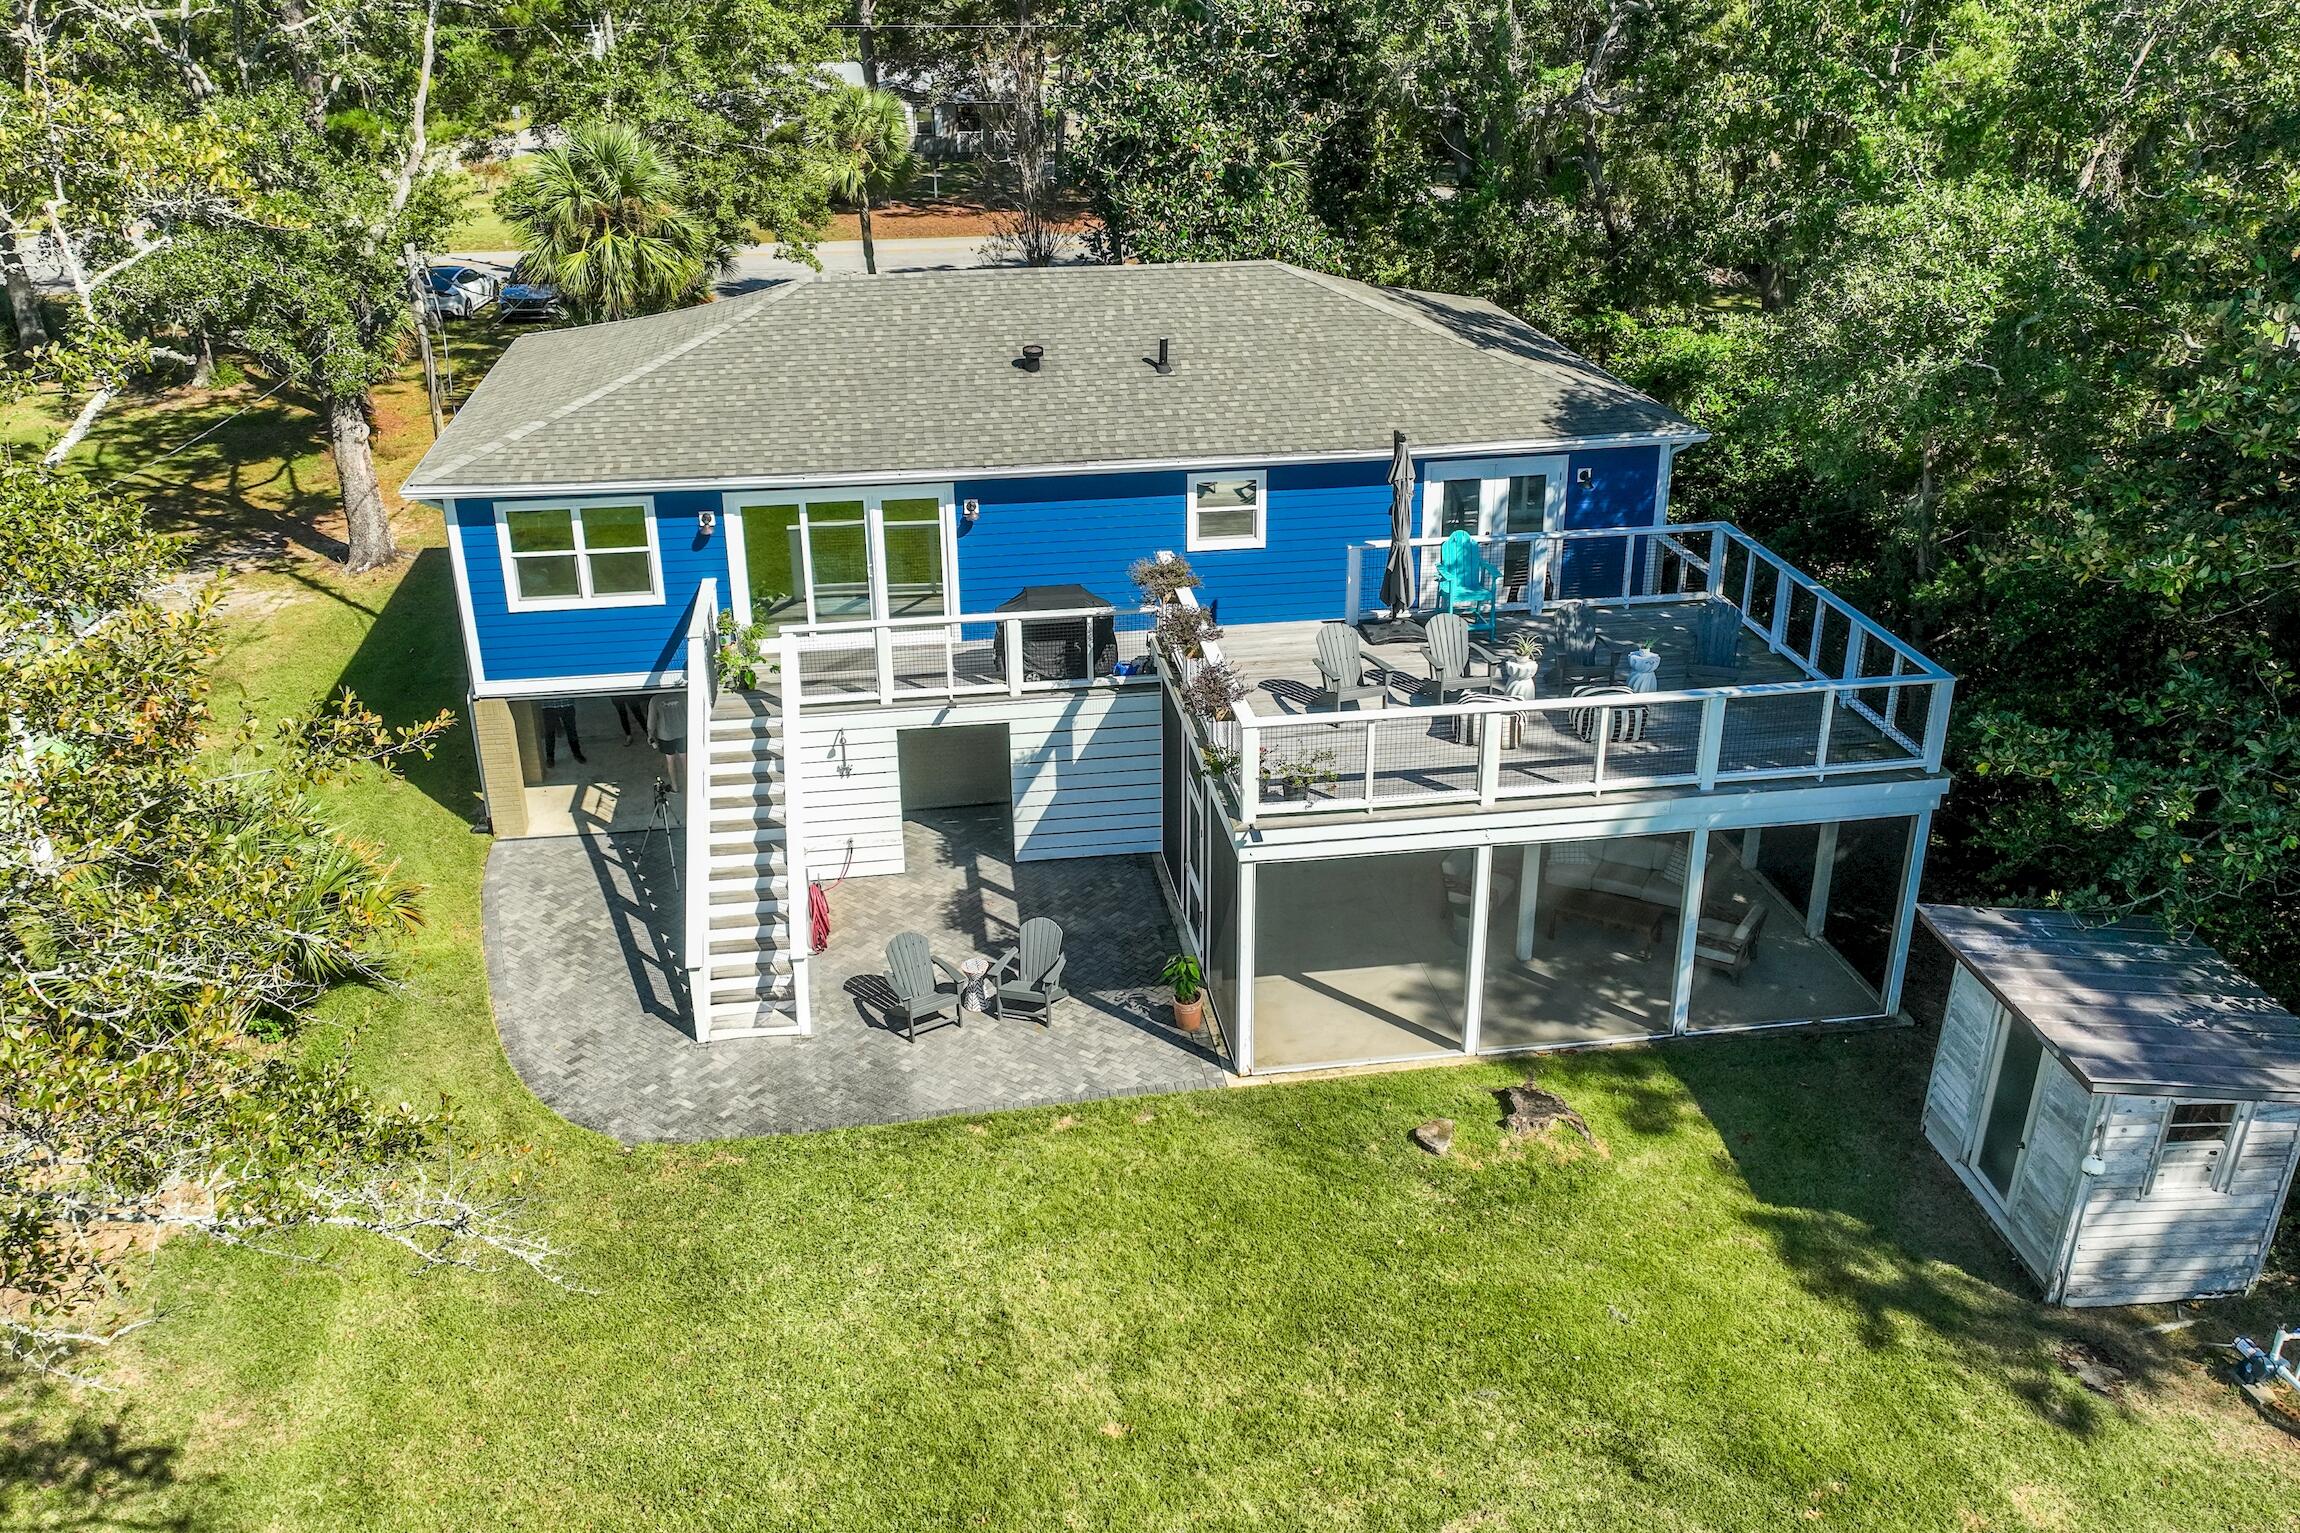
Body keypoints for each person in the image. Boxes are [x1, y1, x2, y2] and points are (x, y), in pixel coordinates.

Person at [646, 691, 688, 789]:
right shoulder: (681, 695)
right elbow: (689, 712)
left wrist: (650, 735)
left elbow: (651, 720)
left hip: (665, 735)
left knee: (670, 761)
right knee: (685, 760)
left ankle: (675, 786)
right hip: (682, 732)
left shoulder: (655, 699)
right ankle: (689, 785)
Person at [539, 701, 585, 767]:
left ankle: (577, 753)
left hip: (567, 703)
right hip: (548, 705)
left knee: (571, 730)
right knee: (549, 732)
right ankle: (550, 757)